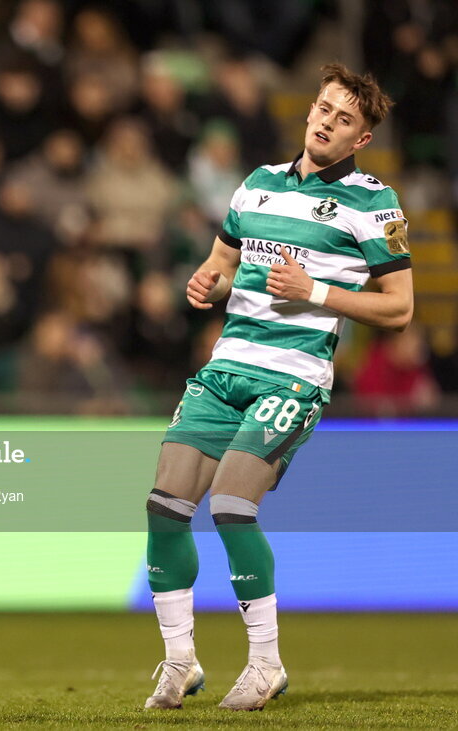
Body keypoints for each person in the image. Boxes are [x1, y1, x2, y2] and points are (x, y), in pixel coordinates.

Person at [143, 64, 412, 711]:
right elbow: (224, 255)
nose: (325, 121)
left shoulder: (375, 203)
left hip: (293, 374)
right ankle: (180, 659)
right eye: (324, 108)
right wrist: (206, 278)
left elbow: (399, 307)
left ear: (361, 139)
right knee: (164, 507)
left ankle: (266, 662)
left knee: (233, 505)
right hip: (226, 365)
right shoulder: (257, 184)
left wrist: (315, 292)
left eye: (344, 119)